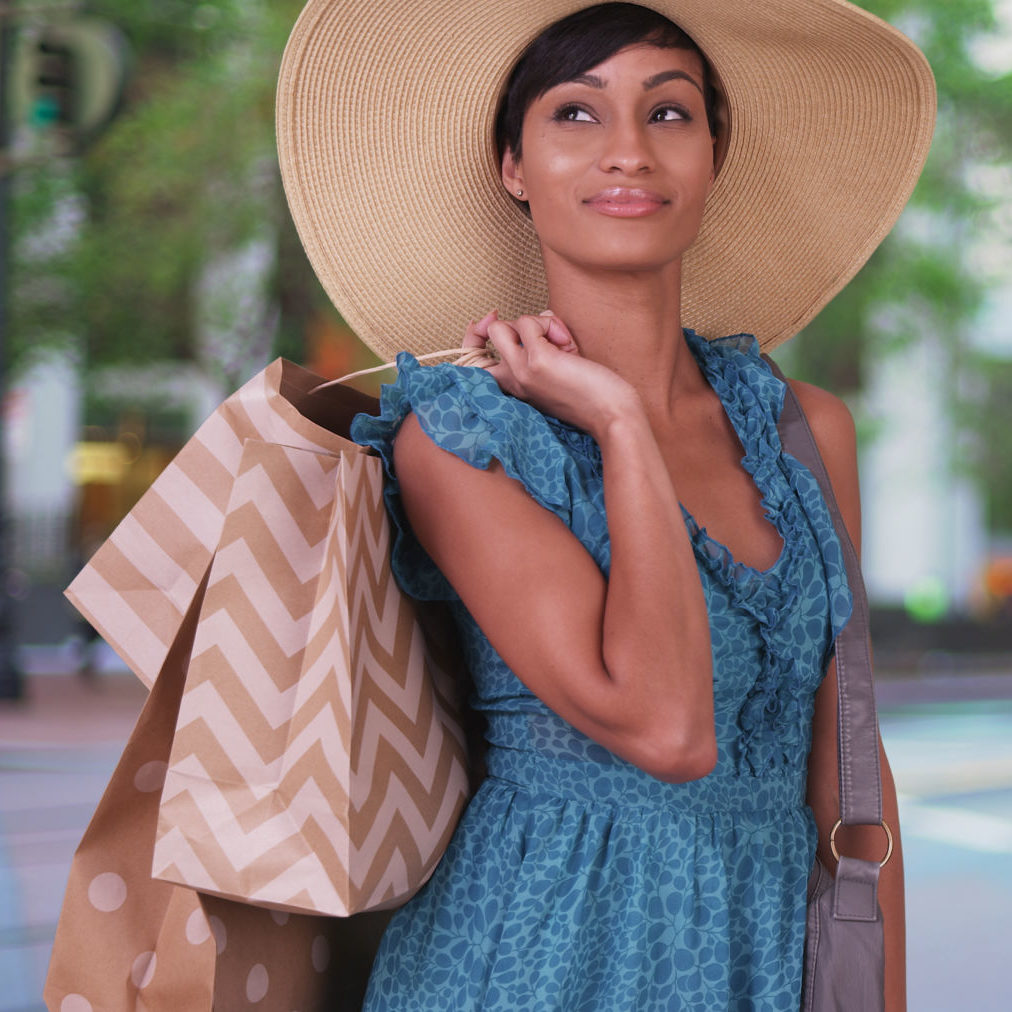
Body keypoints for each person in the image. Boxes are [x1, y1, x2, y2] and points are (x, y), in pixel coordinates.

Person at [276, 2, 935, 1008]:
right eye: (575, 115)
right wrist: (622, 425)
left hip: (763, 947)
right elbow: (667, 731)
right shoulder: (459, 435)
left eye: (669, 114)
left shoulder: (803, 430)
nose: (627, 150)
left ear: (714, 155)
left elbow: (847, 756)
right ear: (511, 166)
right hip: (538, 950)